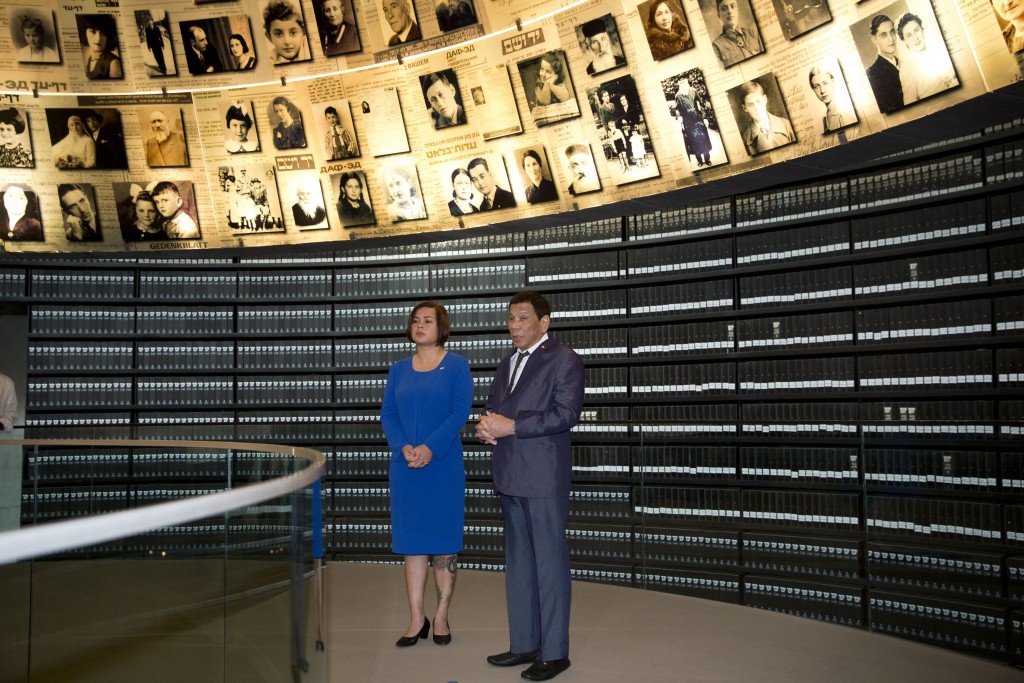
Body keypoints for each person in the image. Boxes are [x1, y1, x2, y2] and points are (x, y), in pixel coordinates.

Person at [477, 291, 584, 683]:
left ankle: (555, 652)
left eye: (523, 319)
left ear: (545, 322)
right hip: (509, 474)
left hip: (542, 476)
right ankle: (523, 643)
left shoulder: (565, 359)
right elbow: (493, 405)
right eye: (510, 319)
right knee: (519, 565)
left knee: (550, 566)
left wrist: (512, 426)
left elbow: (566, 414)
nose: (515, 327)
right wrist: (486, 427)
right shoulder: (507, 362)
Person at [381, 301, 473, 649]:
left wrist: (430, 448)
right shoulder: (398, 369)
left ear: (441, 326)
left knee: (444, 544)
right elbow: (388, 415)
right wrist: (402, 446)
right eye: (415, 321)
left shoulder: (457, 366)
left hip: (442, 466)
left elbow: (459, 412)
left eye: (427, 321)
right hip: (406, 468)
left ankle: (442, 615)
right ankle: (416, 616)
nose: (420, 325)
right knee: (413, 543)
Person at [896, 13, 957, 105]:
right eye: (909, 35)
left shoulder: (938, 52)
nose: (915, 38)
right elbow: (910, 101)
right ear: (905, 41)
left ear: (922, 30)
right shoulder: (906, 67)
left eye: (916, 30)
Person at [738, 80, 795, 156]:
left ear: (765, 99)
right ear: (745, 108)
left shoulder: (785, 124)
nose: (756, 108)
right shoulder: (745, 139)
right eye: (750, 105)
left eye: (758, 101)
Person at [865, 15, 903, 115]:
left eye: (892, 32)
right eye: (884, 35)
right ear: (874, 39)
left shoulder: (904, 63)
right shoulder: (873, 74)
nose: (891, 39)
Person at [711, 0, 764, 68]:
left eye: (732, 6)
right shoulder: (716, 46)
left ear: (737, 10)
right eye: (724, 9)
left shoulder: (754, 34)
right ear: (719, 15)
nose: (729, 11)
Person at [674, 79, 712, 167]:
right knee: (694, 143)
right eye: (681, 83)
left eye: (684, 82)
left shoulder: (693, 91)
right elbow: (677, 109)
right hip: (688, 123)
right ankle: (699, 161)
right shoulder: (678, 96)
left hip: (699, 120)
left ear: (687, 83)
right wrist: (679, 116)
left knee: (704, 140)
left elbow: (701, 104)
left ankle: (707, 159)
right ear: (679, 85)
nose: (683, 84)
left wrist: (705, 118)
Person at [809, 65, 856, 133]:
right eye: (816, 86)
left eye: (825, 83)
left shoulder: (844, 113)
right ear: (813, 89)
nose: (822, 91)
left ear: (833, 82)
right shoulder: (825, 117)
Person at [81, 14, 122, 79]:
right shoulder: (91, 58)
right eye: (93, 31)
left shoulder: (113, 63)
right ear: (85, 33)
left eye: (103, 33)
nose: (98, 39)